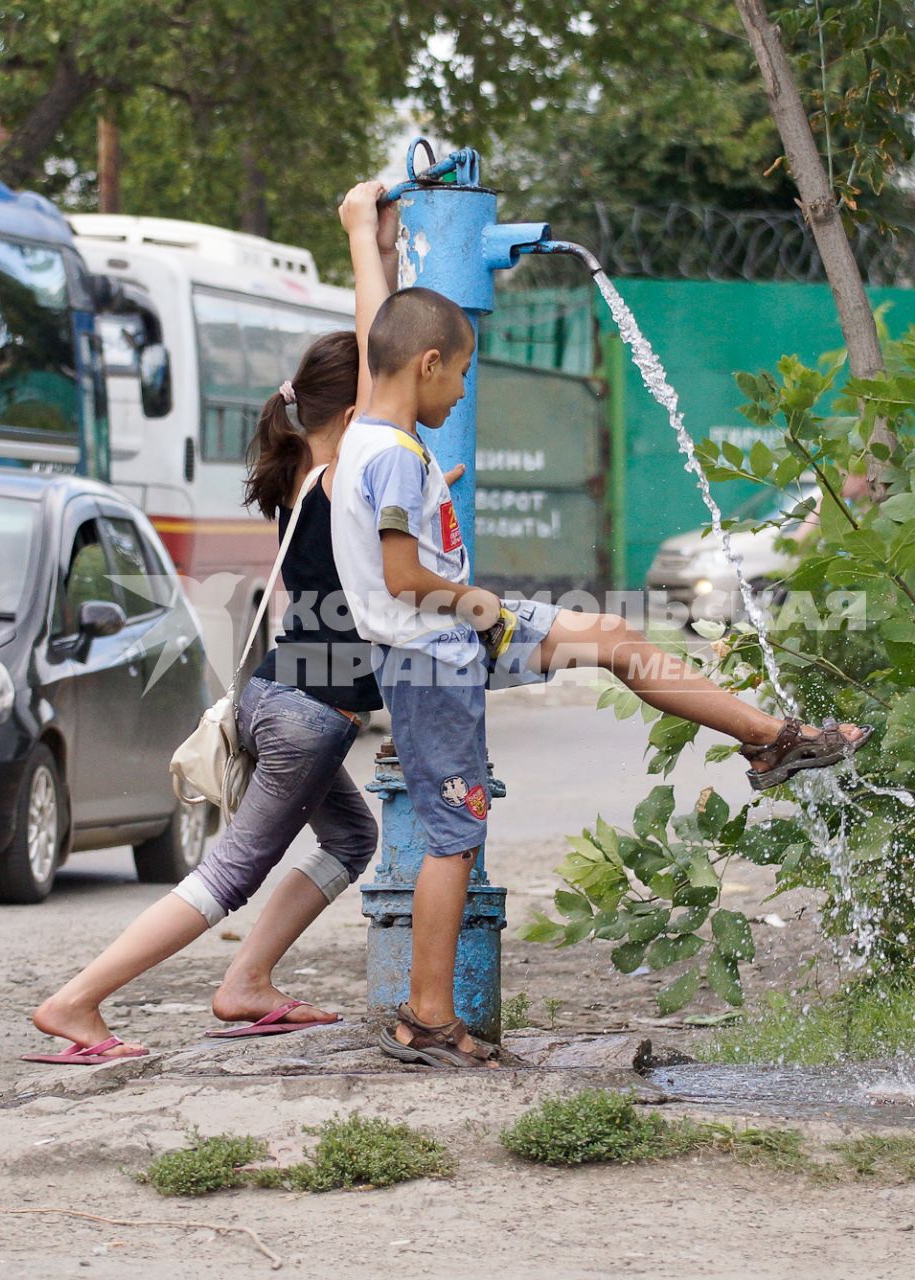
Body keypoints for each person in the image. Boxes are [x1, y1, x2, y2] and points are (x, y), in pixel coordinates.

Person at [329, 256, 872, 1069]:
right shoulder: (396, 457)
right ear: (429, 365)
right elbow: (407, 578)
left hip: (453, 637)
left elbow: (387, 330)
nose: (464, 393)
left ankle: (771, 739)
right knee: (452, 836)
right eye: (463, 374)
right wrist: (489, 610)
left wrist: (364, 238)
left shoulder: (372, 433)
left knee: (617, 638)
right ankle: (427, 1019)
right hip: (434, 653)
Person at [24, 340, 403, 1062]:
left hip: (273, 692)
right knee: (229, 873)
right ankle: (75, 1002)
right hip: (309, 713)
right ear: (356, 416)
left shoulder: (302, 477)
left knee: (352, 839)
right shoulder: (343, 480)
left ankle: (249, 982)